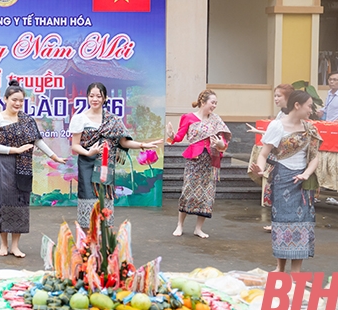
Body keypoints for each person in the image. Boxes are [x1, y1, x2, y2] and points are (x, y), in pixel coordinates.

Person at [0, 80, 65, 258]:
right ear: (5, 99)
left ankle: (15, 246)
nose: (17, 103)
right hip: (3, 165)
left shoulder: (27, 120)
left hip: (23, 166)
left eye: (21, 100)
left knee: (21, 204)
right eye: (14, 99)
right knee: (5, 203)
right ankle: (3, 245)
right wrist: (15, 150)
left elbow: (38, 141)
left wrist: (54, 157)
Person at [69, 82, 161, 230]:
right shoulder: (80, 118)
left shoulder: (113, 120)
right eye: (91, 96)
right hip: (87, 164)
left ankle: (104, 245)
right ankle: (88, 246)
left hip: (105, 165)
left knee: (105, 202)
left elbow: (124, 143)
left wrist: (143, 145)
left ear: (105, 98)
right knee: (87, 201)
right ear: (87, 97)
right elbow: (75, 145)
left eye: (99, 96)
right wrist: (89, 152)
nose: (95, 99)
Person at [250, 90, 321, 273]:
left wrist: (306, 174)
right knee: (282, 223)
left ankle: (296, 271)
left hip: (303, 183)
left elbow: (314, 157)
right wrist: (260, 169)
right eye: (309, 106)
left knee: (302, 223)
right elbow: (263, 154)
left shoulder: (310, 129)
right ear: (297, 105)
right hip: (282, 179)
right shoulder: (277, 126)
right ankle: (280, 268)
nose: (311, 110)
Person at [166, 89, 231, 239]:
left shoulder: (216, 120)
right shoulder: (188, 117)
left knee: (207, 194)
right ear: (203, 102)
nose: (214, 106)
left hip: (210, 161)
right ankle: (180, 225)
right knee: (188, 191)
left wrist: (221, 143)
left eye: (216, 103)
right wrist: (171, 135)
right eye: (212, 102)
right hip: (194, 160)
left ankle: (198, 228)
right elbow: (179, 137)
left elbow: (224, 142)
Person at [246, 84, 293, 232]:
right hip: (278, 161)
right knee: (277, 193)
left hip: (290, 162)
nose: (276, 99)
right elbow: (274, 134)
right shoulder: (280, 116)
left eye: (279, 96)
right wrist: (259, 131)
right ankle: (278, 224)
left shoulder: (294, 115)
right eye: (275, 96)